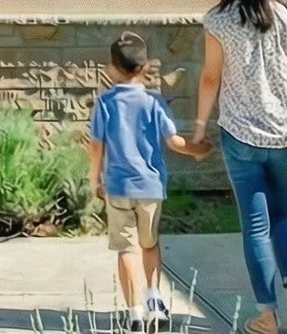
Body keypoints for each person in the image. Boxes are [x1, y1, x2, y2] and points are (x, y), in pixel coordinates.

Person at [192, 0, 287, 334]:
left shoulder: (218, 20)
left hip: (241, 134)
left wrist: (199, 127)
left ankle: (266, 314)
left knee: (255, 225)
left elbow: (211, 77)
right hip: (286, 134)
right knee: (283, 215)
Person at [85, 31, 208, 331]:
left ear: (112, 68)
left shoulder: (105, 103)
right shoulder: (154, 101)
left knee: (126, 249)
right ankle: (155, 301)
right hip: (151, 186)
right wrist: (196, 150)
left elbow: (96, 146)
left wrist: (94, 179)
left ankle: (136, 313)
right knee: (149, 244)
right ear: (144, 68)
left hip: (117, 186)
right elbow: (174, 141)